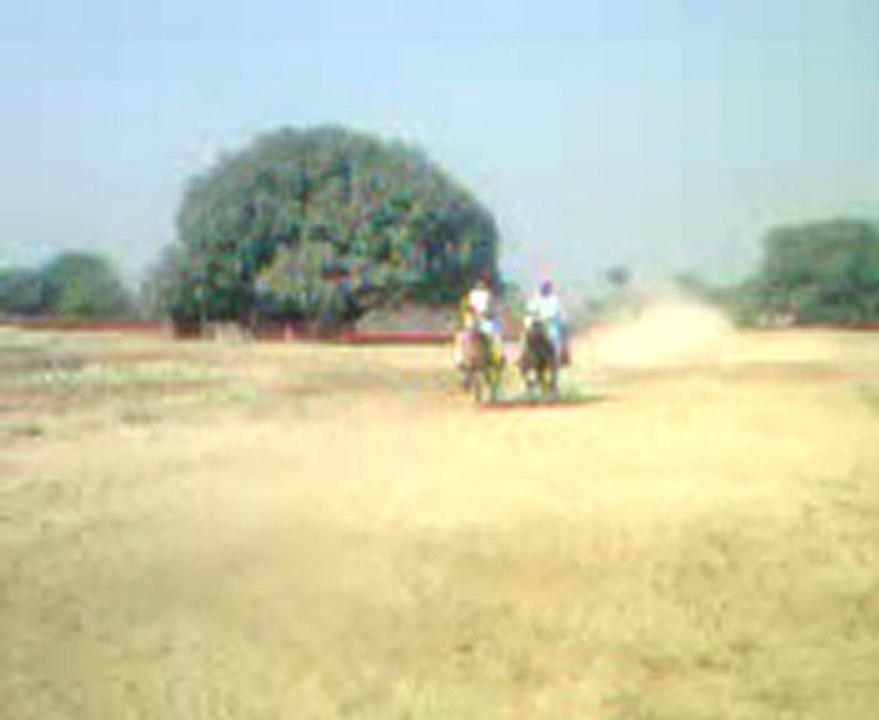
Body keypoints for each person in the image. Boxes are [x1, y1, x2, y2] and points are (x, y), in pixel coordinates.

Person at [454, 275, 504, 367]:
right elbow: (490, 310)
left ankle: (459, 360)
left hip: (475, 321)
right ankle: (497, 357)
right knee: (495, 336)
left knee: (460, 338)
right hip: (481, 321)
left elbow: (468, 308)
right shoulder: (486, 295)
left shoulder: (472, 295)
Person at [524, 279, 569, 364]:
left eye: (548, 288)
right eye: (545, 287)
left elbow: (560, 312)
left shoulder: (554, 299)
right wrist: (532, 319)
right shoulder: (536, 299)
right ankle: (525, 356)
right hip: (538, 323)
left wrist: (562, 319)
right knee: (528, 336)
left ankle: (561, 355)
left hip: (552, 323)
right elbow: (530, 311)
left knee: (557, 336)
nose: (546, 289)